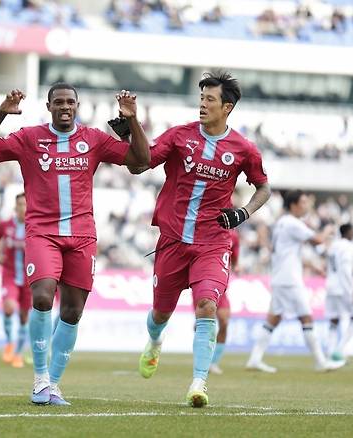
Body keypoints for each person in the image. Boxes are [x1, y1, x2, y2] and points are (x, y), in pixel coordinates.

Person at [0, 83, 150, 405]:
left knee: (72, 311)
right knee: (42, 297)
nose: (65, 106)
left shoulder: (93, 139)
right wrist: (1, 113)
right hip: (42, 232)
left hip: (82, 236)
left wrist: (132, 120)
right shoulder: (30, 138)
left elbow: (141, 159)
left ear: (77, 106)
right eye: (59, 102)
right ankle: (40, 379)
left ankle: (53, 384)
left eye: (70, 102)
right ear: (49, 107)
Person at [128, 71, 271, 407]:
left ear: (227, 107)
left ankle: (198, 383)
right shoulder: (179, 136)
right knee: (160, 314)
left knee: (207, 306)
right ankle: (155, 341)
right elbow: (139, 165)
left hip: (213, 242)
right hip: (173, 241)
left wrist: (244, 213)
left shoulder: (244, 149)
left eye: (210, 99)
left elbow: (263, 188)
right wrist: (132, 130)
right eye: (201, 98)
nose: (203, 105)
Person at [246, 190, 343, 373]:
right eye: (304, 202)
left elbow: (286, 252)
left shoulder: (281, 223)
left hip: (280, 277)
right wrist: (329, 229)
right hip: (290, 280)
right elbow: (318, 240)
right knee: (306, 318)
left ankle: (254, 359)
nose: (306, 206)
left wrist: (311, 265)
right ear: (293, 205)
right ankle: (321, 362)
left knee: (273, 319)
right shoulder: (293, 223)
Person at [193, 228, 240, 375]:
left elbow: (234, 256)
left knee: (224, 322)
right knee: (202, 324)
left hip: (221, 284)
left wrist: (235, 267)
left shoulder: (233, 236)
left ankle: (214, 363)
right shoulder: (204, 228)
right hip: (203, 283)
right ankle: (202, 360)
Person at [0, 192, 31, 368]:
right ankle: (9, 343)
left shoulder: (34, 225)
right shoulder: (6, 225)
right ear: (15, 207)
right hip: (9, 274)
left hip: (29, 276)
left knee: (24, 317)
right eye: (20, 204)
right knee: (9, 307)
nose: (22, 208)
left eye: (25, 204)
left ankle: (18, 354)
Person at [324, 223, 353, 361]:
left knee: (334, 320)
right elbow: (345, 270)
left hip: (330, 285)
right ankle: (339, 350)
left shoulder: (333, 245)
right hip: (342, 287)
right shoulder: (348, 246)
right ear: (348, 232)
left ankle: (329, 351)